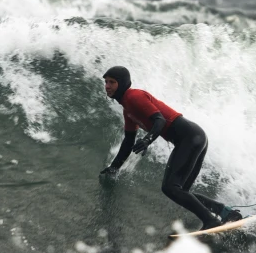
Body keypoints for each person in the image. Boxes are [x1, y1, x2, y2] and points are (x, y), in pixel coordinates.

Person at [99, 66, 242, 230]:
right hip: (194, 137)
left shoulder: (134, 96)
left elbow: (159, 120)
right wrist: (114, 167)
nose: (107, 86)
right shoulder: (128, 111)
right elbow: (128, 142)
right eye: (106, 82)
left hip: (189, 137)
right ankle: (225, 213)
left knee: (170, 188)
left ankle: (210, 221)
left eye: (112, 82)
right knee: (182, 191)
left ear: (122, 83)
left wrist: (147, 140)